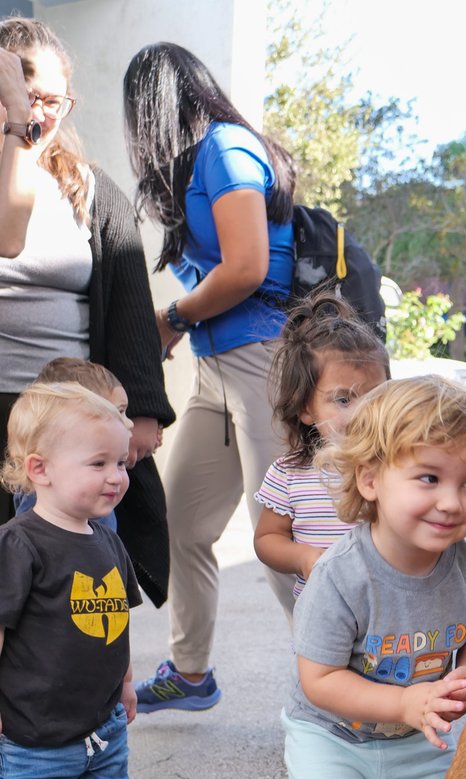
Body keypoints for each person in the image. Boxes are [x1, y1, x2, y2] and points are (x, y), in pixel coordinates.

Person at [282, 376, 466, 779]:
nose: (452, 502)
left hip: (417, 745)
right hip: (332, 742)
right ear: (370, 479)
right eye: (429, 478)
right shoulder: (342, 575)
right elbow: (318, 679)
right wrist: (406, 700)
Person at [123, 42, 298, 713]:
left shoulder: (226, 148)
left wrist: (170, 317)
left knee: (278, 531)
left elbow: (249, 267)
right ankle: (191, 671)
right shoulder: (201, 160)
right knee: (183, 522)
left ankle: (338, 688)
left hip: (265, 360)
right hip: (216, 365)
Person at [0, 17, 174, 608]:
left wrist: (142, 414)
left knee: (75, 587)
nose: (45, 115)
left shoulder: (90, 189)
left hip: (66, 415)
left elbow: (129, 305)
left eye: (56, 100)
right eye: (32, 98)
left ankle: (88, 692)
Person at [0, 383, 141, 779]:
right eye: (98, 463)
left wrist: (125, 684)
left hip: (101, 723)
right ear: (41, 470)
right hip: (33, 729)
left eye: (121, 464)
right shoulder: (19, 543)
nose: (117, 477)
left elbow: (119, 618)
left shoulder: (106, 538)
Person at [253, 293, 391, 603]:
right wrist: (303, 557)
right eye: (344, 399)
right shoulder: (290, 473)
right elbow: (267, 538)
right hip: (323, 614)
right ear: (305, 408)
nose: (361, 413)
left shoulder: (397, 467)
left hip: (391, 617)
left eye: (375, 396)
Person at [12, 357, 151, 532]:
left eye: (120, 463)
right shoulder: (41, 504)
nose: (130, 423)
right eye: (119, 411)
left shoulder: (104, 528)